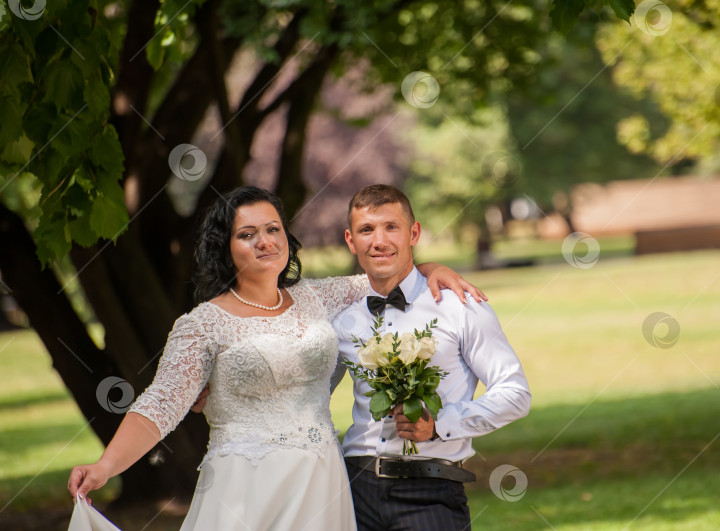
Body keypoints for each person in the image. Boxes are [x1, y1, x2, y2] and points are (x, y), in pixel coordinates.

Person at [67, 186, 483, 531]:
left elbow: (386, 273)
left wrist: (431, 268)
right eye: (247, 234)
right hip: (245, 484)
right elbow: (161, 404)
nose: (265, 241)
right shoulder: (202, 324)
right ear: (226, 248)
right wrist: (105, 466)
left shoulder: (318, 297)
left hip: (322, 482)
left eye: (273, 229)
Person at [330, 185, 532, 530]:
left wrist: (439, 424)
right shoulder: (339, 317)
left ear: (414, 232)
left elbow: (515, 393)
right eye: (367, 230)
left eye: (391, 227)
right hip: (353, 495)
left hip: (431, 491)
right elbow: (308, 393)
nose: (379, 241)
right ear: (351, 240)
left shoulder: (460, 306)